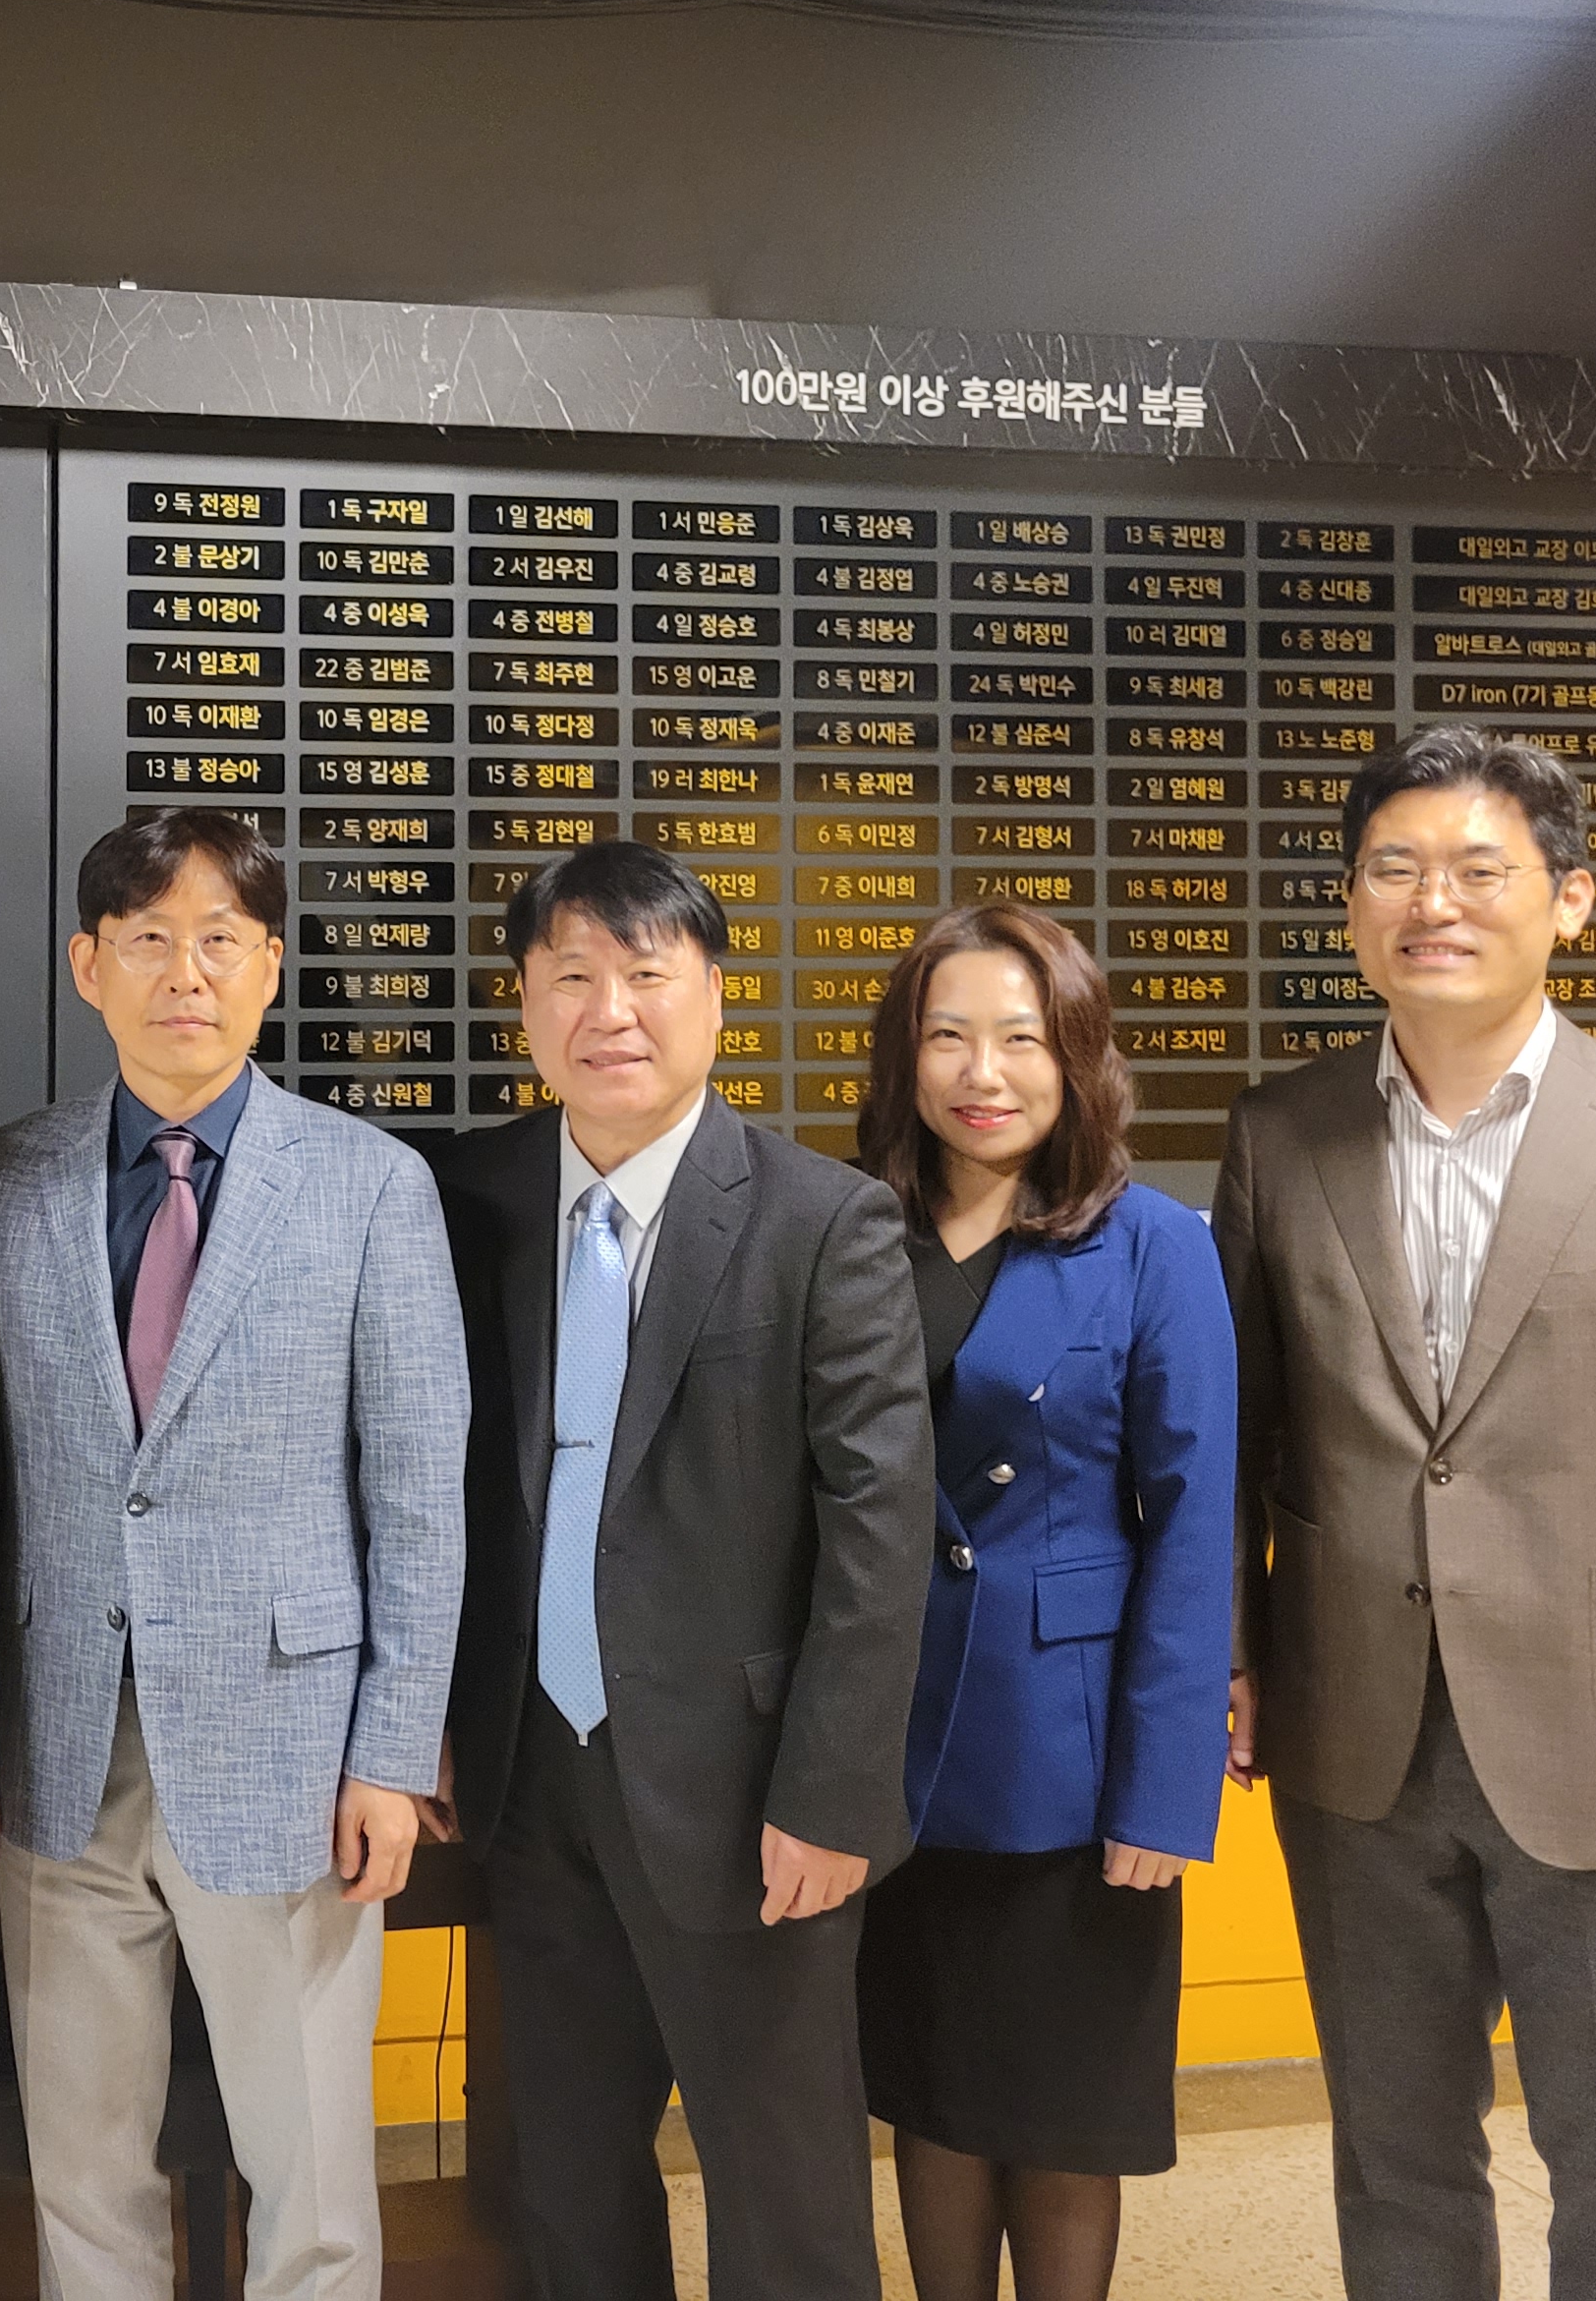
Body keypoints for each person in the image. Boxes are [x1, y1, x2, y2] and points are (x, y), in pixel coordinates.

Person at [1218, 724, 1596, 2301]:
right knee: (1396, 2149)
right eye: (1394, 869)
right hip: (1355, 1729)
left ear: (1569, 900)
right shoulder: (1279, 1136)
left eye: (1478, 869)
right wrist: (1229, 1654)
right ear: (1352, 906)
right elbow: (1236, 1436)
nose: (1432, 902)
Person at [0, 807, 466, 2301]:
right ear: (88, 966)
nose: (187, 972)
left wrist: (393, 1753)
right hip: (57, 1746)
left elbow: (419, 1490)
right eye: (150, 940)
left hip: (290, 1753)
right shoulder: (8, 1179)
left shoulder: (372, 1184)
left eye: (221, 940)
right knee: (81, 2166)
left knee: (310, 2175)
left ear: (270, 966)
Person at [426, 838, 929, 2301]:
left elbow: (879, 1531)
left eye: (646, 975)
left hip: (748, 1785)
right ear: (524, 1002)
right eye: (571, 976)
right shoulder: (462, 1199)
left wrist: (832, 1793)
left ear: (716, 995)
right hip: (529, 1773)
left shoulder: (820, 1219)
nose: (610, 1012)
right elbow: (418, 1480)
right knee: (568, 2176)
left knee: (785, 2188)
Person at [845, 905, 1236, 2301]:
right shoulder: (850, 1228)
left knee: (1065, 2119)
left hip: (1070, 1759)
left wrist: (1164, 1794)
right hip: (887, 1741)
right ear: (903, 1057)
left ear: (1078, 1057)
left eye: (1021, 1038)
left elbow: (1195, 1526)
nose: (982, 1072)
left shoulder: (1150, 1244)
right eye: (946, 1035)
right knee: (935, 2098)